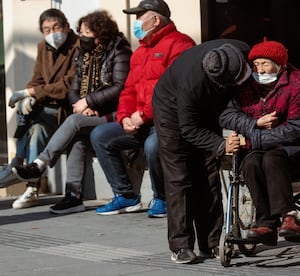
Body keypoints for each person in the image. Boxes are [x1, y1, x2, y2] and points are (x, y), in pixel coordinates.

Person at [12, 10, 132, 214]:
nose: (82, 37)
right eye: (81, 32)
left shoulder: (119, 52)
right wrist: (81, 104)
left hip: (114, 113)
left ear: (100, 33)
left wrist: (89, 102)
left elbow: (119, 87)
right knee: (76, 137)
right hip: (88, 113)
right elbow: (74, 89)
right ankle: (73, 196)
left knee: (74, 122)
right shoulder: (84, 55)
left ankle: (39, 165)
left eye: (87, 33)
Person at [90, 0, 195, 216]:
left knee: (152, 145)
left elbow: (175, 92)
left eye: (139, 17)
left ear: (155, 20)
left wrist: (144, 115)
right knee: (101, 134)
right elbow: (128, 90)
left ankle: (163, 198)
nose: (136, 22)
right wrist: (125, 117)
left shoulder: (180, 44)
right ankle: (126, 196)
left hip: (167, 121)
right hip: (140, 121)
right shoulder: (140, 51)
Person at [152, 39, 252, 264]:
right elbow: (189, 129)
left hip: (207, 108)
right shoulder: (192, 85)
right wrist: (221, 145)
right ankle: (181, 245)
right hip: (170, 109)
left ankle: (213, 241)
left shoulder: (241, 48)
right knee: (180, 176)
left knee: (208, 172)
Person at [219, 38, 300, 245]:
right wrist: (254, 123)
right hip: (258, 148)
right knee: (249, 163)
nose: (260, 69)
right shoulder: (244, 85)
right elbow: (227, 115)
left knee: (272, 159)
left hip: (297, 149)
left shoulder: (298, 83)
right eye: (255, 64)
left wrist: (257, 136)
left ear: (280, 65)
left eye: (265, 63)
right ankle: (266, 222)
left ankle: (289, 216)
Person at [0, 8, 78, 209]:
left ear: (67, 27)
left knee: (32, 114)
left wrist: (31, 93)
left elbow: (67, 85)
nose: (52, 33)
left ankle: (16, 164)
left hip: (68, 110)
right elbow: (37, 78)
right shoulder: (43, 47)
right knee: (36, 129)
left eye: (56, 27)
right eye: (46, 29)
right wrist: (29, 92)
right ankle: (32, 187)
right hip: (47, 112)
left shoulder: (78, 46)